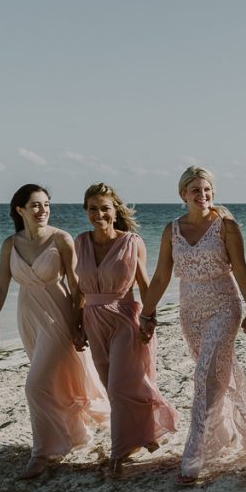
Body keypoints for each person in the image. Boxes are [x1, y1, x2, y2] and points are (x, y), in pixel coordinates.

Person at [139, 166, 246, 484]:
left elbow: (240, 269)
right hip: (190, 311)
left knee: (203, 375)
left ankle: (194, 453)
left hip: (224, 306)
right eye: (195, 190)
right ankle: (223, 431)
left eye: (207, 189)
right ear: (183, 194)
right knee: (215, 377)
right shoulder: (172, 230)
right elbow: (161, 276)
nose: (202, 195)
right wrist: (147, 313)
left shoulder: (226, 226)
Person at [0, 184, 109, 479]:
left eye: (46, 205)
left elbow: (78, 287)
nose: (43, 210)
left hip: (58, 316)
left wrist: (79, 323)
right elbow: (1, 286)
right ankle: (72, 435)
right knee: (52, 382)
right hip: (28, 317)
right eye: (36, 205)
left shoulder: (61, 239)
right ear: (20, 210)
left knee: (35, 385)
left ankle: (43, 453)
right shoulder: (10, 244)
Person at [75, 183, 178, 476]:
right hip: (92, 320)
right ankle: (141, 435)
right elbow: (77, 291)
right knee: (114, 387)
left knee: (120, 386)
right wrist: (75, 325)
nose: (99, 214)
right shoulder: (80, 242)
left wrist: (149, 318)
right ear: (86, 211)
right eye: (92, 209)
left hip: (124, 319)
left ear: (115, 210)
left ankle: (118, 455)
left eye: (104, 208)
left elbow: (145, 284)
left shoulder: (132, 242)